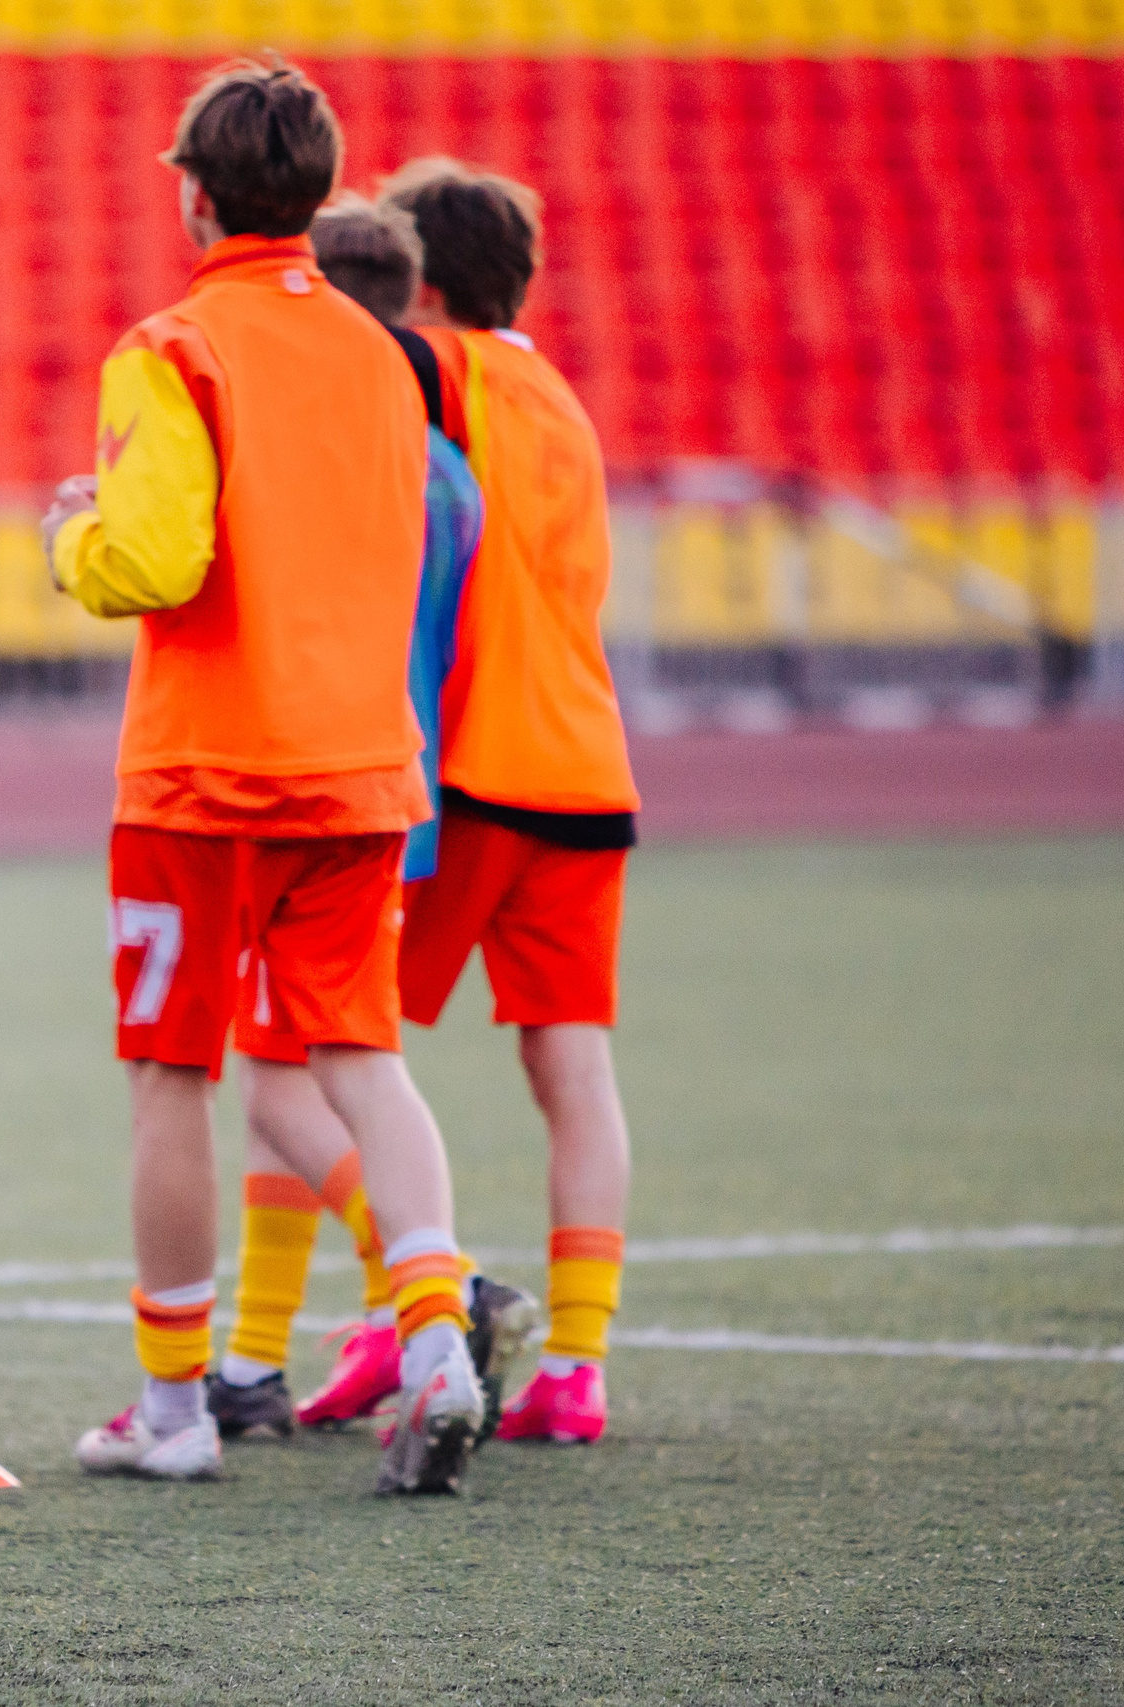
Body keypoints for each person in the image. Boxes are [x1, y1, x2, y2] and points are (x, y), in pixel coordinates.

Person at [43, 59, 489, 1496]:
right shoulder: (390, 353)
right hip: (363, 770)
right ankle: (435, 1335)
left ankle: (173, 1403)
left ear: (193, 191)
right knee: (365, 1060)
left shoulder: (175, 345)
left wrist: (73, 535)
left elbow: (155, 557)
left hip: (203, 772)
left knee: (172, 1074)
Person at [203, 195, 539, 1444]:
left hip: (303, 785)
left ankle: (434, 1292)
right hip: (402, 788)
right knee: (291, 1072)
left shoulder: (336, 451)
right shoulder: (444, 466)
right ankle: (250, 1360)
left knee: (282, 1087)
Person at [379, 158, 641, 1445]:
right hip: (587, 767)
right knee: (573, 1070)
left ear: (420, 283)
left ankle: (420, 1300)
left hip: (475, 765)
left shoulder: (444, 370)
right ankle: (577, 1370)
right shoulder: (559, 398)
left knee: (332, 1049)